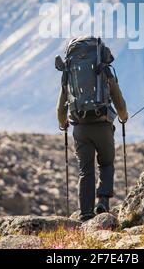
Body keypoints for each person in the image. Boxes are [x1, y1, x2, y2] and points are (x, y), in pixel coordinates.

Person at [56, 36, 128, 222]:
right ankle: (103, 201)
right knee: (106, 163)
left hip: (80, 128)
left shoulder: (70, 73)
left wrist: (63, 124)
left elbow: (60, 108)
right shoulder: (104, 70)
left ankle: (86, 212)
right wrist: (123, 117)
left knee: (85, 170)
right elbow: (118, 99)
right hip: (103, 125)